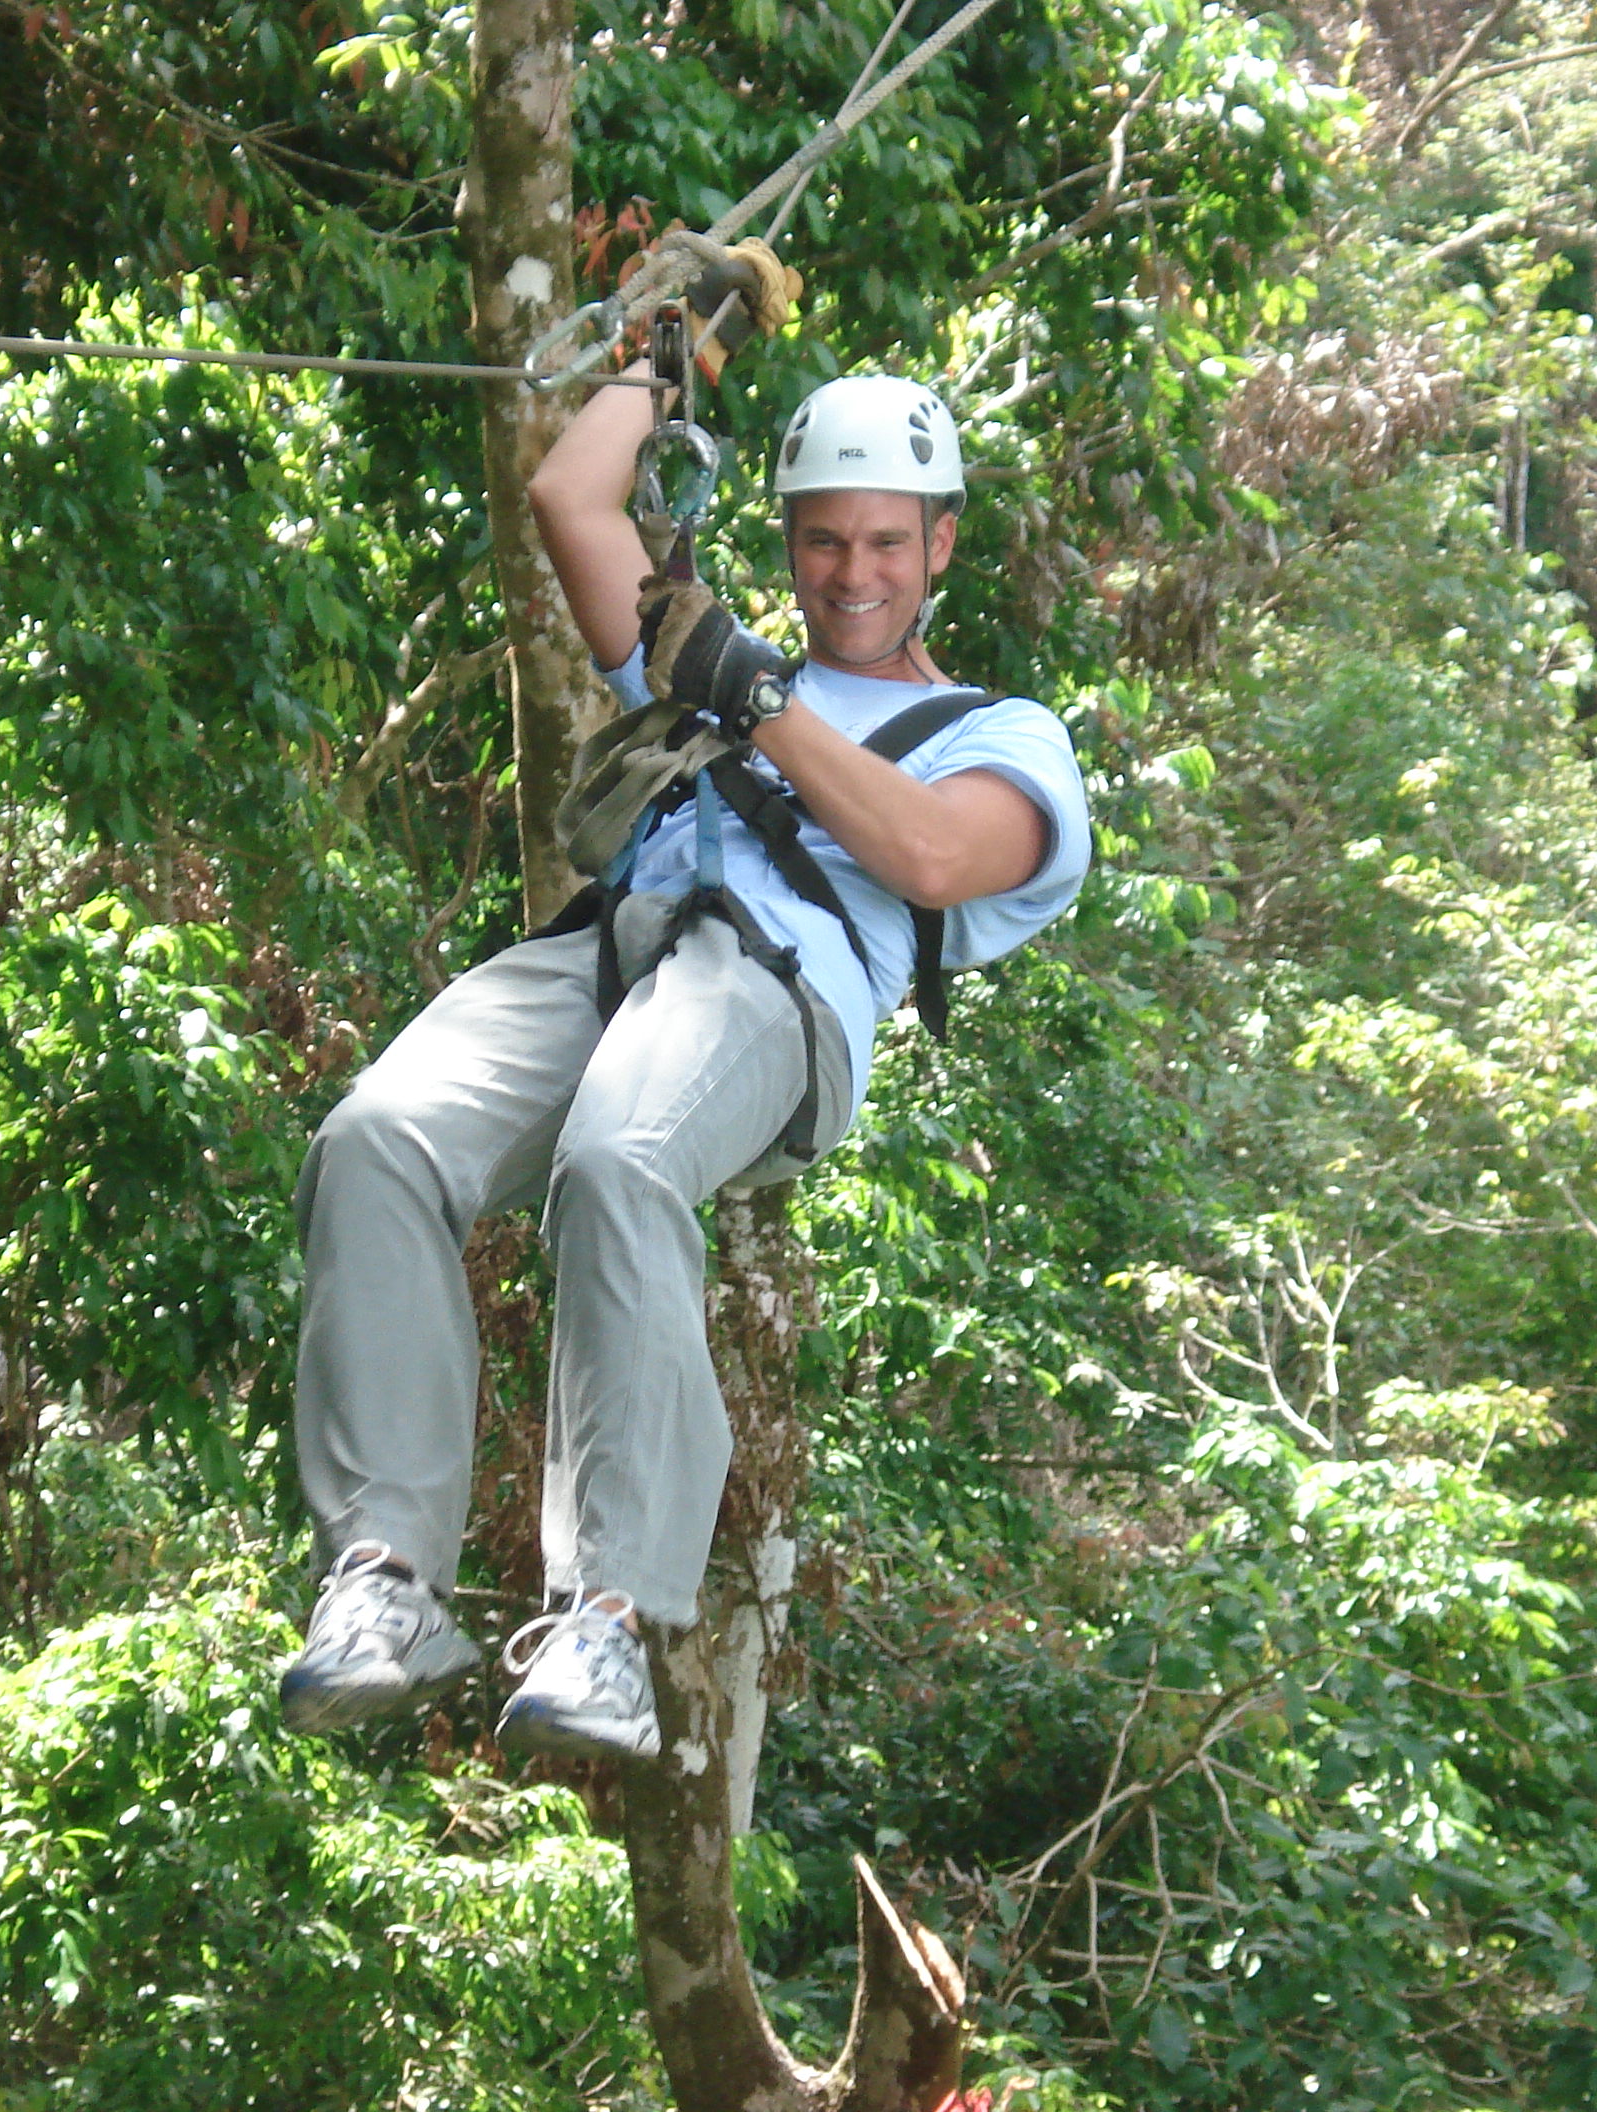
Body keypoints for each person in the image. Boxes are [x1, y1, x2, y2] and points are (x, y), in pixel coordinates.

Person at [277, 317, 1092, 1765]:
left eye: (888, 544)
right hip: (616, 949)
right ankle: (385, 1578)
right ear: (788, 537)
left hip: (778, 988)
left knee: (621, 1154)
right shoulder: (703, 657)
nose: (853, 574)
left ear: (942, 546)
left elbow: (932, 855)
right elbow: (569, 503)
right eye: (825, 542)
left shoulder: (999, 732)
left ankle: (606, 1617)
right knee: (378, 1140)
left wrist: (751, 694)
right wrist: (663, 359)